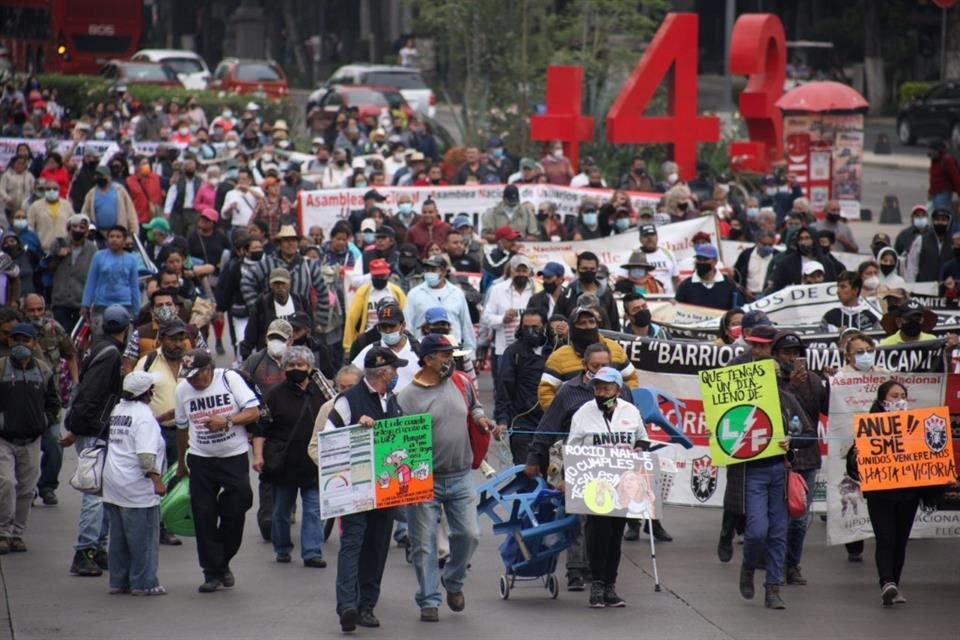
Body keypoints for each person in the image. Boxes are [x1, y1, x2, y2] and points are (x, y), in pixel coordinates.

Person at [397, 335, 493, 622]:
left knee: (469, 535)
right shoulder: (407, 397)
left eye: (451, 354)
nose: (450, 359)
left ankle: (453, 581)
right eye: (444, 355)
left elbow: (475, 407)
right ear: (428, 359)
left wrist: (480, 419)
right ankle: (428, 599)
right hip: (425, 480)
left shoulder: (461, 382)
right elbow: (400, 444)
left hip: (461, 474)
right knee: (424, 543)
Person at [326, 347, 405, 632]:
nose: (396, 374)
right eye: (394, 369)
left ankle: (367, 606)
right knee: (352, 545)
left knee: (377, 546)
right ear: (384, 372)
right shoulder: (348, 401)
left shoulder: (392, 401)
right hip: (355, 489)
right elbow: (328, 438)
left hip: (385, 490)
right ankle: (347, 605)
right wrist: (356, 429)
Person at [175, 349, 261, 593]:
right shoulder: (182, 390)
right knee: (204, 516)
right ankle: (212, 572)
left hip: (232, 457)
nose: (192, 381)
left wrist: (228, 421)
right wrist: (182, 462)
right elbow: (182, 428)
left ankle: (223, 560)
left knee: (237, 508)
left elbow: (254, 411)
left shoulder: (229, 379)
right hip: (201, 458)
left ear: (208, 370)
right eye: (188, 376)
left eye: (196, 376)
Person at [567, 367, 647, 608]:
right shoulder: (583, 412)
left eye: (606, 388)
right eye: (597, 388)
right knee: (598, 532)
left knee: (615, 536)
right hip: (595, 485)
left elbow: (642, 438)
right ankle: (597, 585)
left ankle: (611, 586)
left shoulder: (630, 411)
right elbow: (572, 447)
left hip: (623, 483)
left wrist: (639, 449)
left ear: (618, 390)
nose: (601, 392)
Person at [63, 304, 131, 577]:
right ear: (126, 329)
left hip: (90, 427)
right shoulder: (110, 354)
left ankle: (97, 549)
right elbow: (90, 394)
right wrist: (78, 427)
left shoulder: (97, 346)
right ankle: (85, 551)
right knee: (94, 494)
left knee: (102, 493)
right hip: (94, 430)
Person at [847, 381, 924, 607]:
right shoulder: (869, 426)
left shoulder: (916, 425)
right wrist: (858, 455)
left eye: (902, 396)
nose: (898, 400)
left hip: (908, 494)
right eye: (893, 396)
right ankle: (886, 582)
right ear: (882, 400)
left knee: (900, 541)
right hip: (881, 494)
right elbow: (852, 467)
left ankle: (894, 585)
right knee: (886, 539)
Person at [251, 346, 327, 567]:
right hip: (283, 463)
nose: (296, 369)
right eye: (291, 365)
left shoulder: (321, 393)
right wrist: (258, 456)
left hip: (313, 462)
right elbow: (261, 428)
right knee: (282, 511)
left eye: (300, 365)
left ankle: (312, 552)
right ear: (285, 369)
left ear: (310, 367)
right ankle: (282, 547)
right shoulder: (275, 395)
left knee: (313, 510)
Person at [101, 370, 167, 595]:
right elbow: (146, 458)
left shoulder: (119, 409)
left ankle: (118, 582)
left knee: (118, 538)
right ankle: (144, 583)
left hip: (113, 482)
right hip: (137, 488)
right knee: (143, 540)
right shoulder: (145, 417)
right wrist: (157, 483)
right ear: (147, 393)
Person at [770, 332, 826, 587]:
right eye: (787, 353)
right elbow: (772, 410)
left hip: (807, 458)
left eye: (797, 353)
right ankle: (774, 564)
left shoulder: (813, 380)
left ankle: (792, 564)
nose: (792, 358)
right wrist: (790, 386)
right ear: (776, 355)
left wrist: (830, 382)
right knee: (776, 516)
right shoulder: (770, 380)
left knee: (800, 517)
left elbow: (826, 409)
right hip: (776, 458)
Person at [0, 323, 60, 555]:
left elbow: (54, 401)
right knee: (6, 484)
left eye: (26, 340)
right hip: (4, 439)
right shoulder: (2, 368)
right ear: (9, 342)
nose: (21, 345)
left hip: (32, 439)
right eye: (16, 340)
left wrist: (46, 420)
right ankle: (3, 533)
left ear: (34, 343)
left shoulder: (44, 371)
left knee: (26, 489)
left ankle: (17, 534)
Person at [24, 293, 78, 507]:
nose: (36, 315)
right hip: (23, 401)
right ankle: (25, 490)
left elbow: (71, 355)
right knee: (23, 450)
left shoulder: (54, 328)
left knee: (55, 444)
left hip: (50, 400)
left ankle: (47, 486)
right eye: (31, 310)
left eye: (39, 309)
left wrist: (76, 383)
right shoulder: (17, 332)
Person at [538, 307, 638, 410]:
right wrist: (564, 414)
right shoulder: (558, 357)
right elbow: (545, 392)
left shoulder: (615, 349)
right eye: (582, 323)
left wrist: (618, 403)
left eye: (591, 322)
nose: (588, 326)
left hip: (614, 416)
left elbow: (631, 379)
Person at [495, 309, 551, 464]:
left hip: (551, 421)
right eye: (526, 327)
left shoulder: (554, 350)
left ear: (545, 326)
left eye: (535, 327)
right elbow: (504, 388)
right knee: (525, 471)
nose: (531, 331)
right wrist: (502, 420)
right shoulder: (513, 352)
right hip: (522, 422)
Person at [405, 255, 476, 354]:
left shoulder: (456, 293)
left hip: (453, 350)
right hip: (424, 351)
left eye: (433, 269)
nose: (429, 273)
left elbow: (466, 325)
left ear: (443, 271)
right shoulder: (414, 294)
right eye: (427, 269)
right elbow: (408, 326)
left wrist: (471, 352)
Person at [241, 267, 312, 360]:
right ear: (270, 285)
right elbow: (252, 330)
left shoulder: (300, 301)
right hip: (269, 355)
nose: (280, 287)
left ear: (289, 283)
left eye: (283, 283)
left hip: (297, 355)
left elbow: (310, 327)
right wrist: (246, 355)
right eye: (276, 283)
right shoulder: (261, 304)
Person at [483, 254, 536, 378]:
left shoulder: (536, 290)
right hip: (504, 349)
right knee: (504, 387)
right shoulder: (497, 290)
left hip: (531, 349)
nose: (521, 274)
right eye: (518, 270)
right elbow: (486, 317)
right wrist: (502, 319)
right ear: (511, 270)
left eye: (524, 271)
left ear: (529, 272)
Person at [81, 225, 141, 330]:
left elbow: (134, 286)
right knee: (99, 334)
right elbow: (91, 281)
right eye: (111, 236)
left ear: (124, 240)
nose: (114, 239)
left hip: (124, 304)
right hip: (101, 304)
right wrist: (85, 304)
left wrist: (137, 311)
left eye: (118, 237)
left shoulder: (132, 259)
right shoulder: (99, 256)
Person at [351, 304, 419, 392]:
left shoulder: (419, 348)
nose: (388, 331)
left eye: (392, 326)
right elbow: (351, 375)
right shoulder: (370, 351)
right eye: (384, 327)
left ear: (403, 325)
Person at [343, 258, 406, 350]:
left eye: (382, 275)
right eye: (377, 276)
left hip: (392, 335)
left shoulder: (396, 292)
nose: (379, 278)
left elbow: (405, 315)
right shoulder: (363, 292)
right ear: (371, 275)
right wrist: (348, 346)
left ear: (388, 274)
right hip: (369, 337)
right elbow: (352, 318)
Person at [50, 214, 97, 330]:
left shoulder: (92, 249)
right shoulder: (58, 243)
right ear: (69, 228)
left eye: (81, 227)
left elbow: (94, 276)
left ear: (86, 231)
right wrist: (58, 256)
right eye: (74, 226)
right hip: (60, 300)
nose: (77, 230)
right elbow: (49, 267)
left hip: (80, 302)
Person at [557, 252, 619, 329]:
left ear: (597, 269)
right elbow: (558, 320)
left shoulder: (607, 294)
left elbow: (614, 323)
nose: (588, 272)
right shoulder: (567, 294)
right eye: (584, 269)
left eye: (592, 269)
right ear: (577, 269)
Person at [675, 244, 738, 310]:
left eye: (705, 259)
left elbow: (735, 310)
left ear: (715, 262)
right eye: (699, 258)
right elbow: (678, 309)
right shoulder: (686, 285)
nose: (701, 262)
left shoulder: (728, 283)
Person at [81, 167, 139, 236]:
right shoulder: (91, 194)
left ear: (108, 177)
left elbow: (130, 212)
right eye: (96, 175)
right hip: (99, 234)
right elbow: (85, 214)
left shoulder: (120, 190)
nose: (98, 177)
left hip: (119, 233)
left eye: (101, 175)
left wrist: (133, 230)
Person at [906, 208, 954, 282]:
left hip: (948, 289)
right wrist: (910, 287)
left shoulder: (954, 243)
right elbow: (912, 266)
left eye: (944, 220)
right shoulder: (921, 240)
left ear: (949, 222)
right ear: (932, 221)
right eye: (937, 220)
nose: (940, 223)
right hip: (924, 288)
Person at [26, 178, 73, 251]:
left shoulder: (67, 205)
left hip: (64, 248)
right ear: (44, 191)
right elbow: (30, 227)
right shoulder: (35, 206)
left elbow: (72, 224)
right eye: (48, 189)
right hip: (43, 247)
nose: (52, 191)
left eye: (55, 189)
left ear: (59, 190)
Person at [636, 224, 680, 295]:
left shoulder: (668, 253)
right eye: (646, 235)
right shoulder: (634, 256)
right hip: (645, 299)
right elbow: (623, 279)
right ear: (640, 239)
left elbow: (676, 279)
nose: (649, 238)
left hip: (668, 299)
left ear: (657, 237)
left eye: (652, 235)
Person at [733, 230, 778, 297]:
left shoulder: (777, 256)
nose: (767, 247)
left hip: (770, 297)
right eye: (764, 244)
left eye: (770, 245)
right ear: (757, 242)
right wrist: (743, 289)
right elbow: (737, 275)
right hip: (747, 296)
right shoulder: (746, 255)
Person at [927, 139, 960, 210]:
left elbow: (956, 177)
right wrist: (930, 192)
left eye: (931, 150)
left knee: (942, 215)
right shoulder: (934, 160)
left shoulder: (947, 160)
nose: (929, 153)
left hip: (943, 193)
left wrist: (958, 192)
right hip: (934, 193)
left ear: (938, 150)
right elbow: (933, 178)